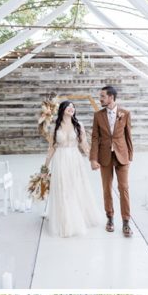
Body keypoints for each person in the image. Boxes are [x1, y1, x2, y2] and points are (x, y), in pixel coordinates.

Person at [42, 100, 99, 238]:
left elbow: (85, 145)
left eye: (73, 107)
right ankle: (65, 221)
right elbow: (51, 148)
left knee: (75, 187)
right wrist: (45, 167)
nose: (71, 108)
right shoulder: (55, 126)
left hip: (75, 159)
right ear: (62, 109)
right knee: (63, 188)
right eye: (69, 106)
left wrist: (93, 160)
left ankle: (78, 217)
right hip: (60, 159)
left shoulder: (78, 125)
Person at [90, 85, 134, 238]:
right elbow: (95, 138)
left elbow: (128, 136)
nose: (100, 99)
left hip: (122, 156)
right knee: (107, 188)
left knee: (124, 188)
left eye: (102, 96)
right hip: (104, 157)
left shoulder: (125, 114)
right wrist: (93, 159)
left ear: (111, 97)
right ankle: (110, 218)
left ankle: (126, 221)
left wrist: (130, 156)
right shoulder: (98, 115)